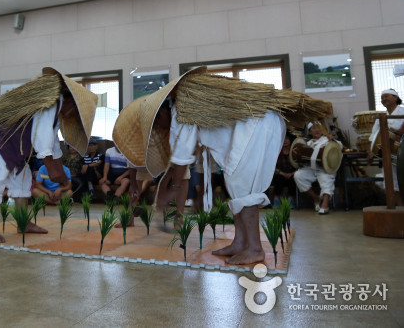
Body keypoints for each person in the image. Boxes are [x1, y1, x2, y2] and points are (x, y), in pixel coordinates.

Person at [114, 67, 331, 265]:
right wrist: (170, 187)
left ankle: (254, 248)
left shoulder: (180, 113)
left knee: (243, 188)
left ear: (161, 113)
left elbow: (180, 164)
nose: (160, 128)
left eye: (157, 124)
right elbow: (183, 162)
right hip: (258, 124)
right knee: (236, 186)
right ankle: (240, 242)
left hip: (257, 124)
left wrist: (169, 192)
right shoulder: (185, 108)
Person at [0, 67, 97, 243]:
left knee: (23, 181)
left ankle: (23, 222)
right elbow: (41, 136)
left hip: (16, 149)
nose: (75, 116)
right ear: (71, 102)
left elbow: (53, 143)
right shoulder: (51, 103)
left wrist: (59, 172)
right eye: (77, 111)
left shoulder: (55, 110)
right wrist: (53, 170)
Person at [293, 122, 342, 215]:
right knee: (298, 176)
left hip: (325, 169)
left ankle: (325, 204)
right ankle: (316, 198)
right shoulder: (308, 143)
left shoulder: (327, 140)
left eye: (318, 128)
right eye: (314, 128)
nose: (317, 130)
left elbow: (339, 146)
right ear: (310, 132)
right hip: (311, 169)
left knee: (327, 180)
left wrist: (333, 140)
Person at [368, 88, 404, 206]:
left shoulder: (402, 111)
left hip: (401, 153)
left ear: (396, 98)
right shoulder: (381, 116)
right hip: (387, 155)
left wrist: (399, 132)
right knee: (392, 182)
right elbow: (374, 135)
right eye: (382, 97)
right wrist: (370, 152)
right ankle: (400, 209)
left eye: (386, 96)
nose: (384, 99)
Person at [271, 135, 297, 208]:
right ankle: (276, 200)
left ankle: (290, 201)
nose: (285, 141)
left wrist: (291, 173)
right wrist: (282, 173)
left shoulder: (294, 151)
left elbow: (299, 166)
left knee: (294, 179)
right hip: (280, 173)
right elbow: (272, 167)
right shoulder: (277, 152)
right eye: (283, 139)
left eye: (287, 139)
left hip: (292, 173)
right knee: (278, 178)